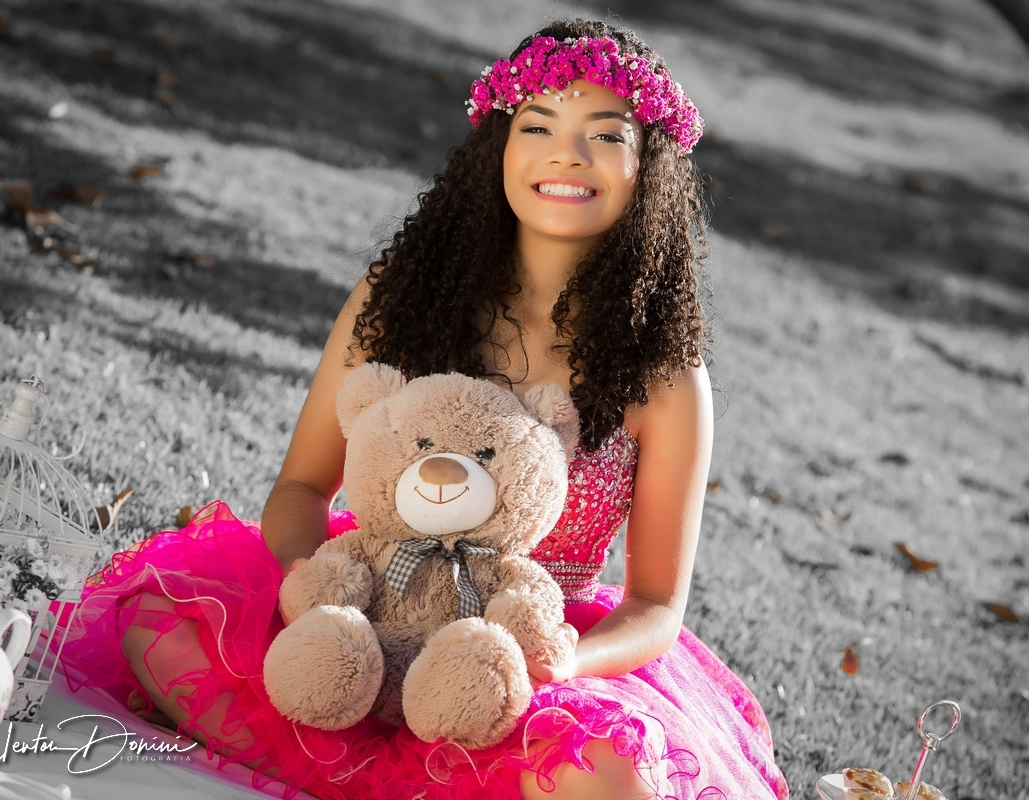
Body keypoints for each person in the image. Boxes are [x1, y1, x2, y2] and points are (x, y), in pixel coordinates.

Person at [58, 18, 789, 800]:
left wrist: (551, 663)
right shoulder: (403, 297)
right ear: (499, 149)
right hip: (370, 598)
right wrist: (325, 603)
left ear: (650, 169)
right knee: (160, 628)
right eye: (538, 125)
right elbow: (303, 489)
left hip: (525, 645)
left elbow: (654, 606)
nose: (566, 154)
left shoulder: (665, 374)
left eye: (604, 136)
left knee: (606, 779)